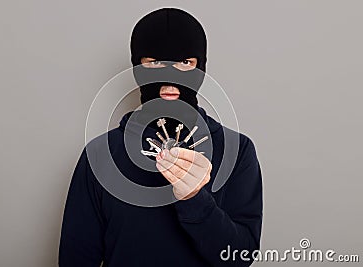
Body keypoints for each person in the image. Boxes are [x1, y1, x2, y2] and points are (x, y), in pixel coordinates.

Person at [58, 7, 263, 267]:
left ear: (201, 66)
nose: (169, 78)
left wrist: (195, 200)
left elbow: (239, 257)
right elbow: (75, 258)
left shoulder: (237, 149)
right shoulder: (101, 154)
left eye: (184, 63)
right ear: (136, 66)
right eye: (154, 62)